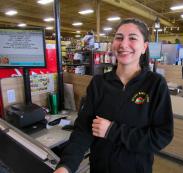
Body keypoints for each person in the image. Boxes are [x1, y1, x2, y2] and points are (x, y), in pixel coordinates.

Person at [54, 18, 174, 173]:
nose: (123, 44)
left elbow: (161, 135)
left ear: (144, 47)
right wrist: (65, 166)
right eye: (119, 37)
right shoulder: (98, 83)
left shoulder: (155, 84)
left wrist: (112, 131)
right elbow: (83, 130)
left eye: (132, 38)